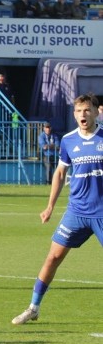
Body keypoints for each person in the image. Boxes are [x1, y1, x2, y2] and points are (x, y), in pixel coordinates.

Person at [12, 95, 103, 326]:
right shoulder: (68, 141)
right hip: (76, 212)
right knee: (52, 257)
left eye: (88, 110)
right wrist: (50, 206)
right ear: (74, 114)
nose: (83, 115)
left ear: (96, 112)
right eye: (79, 110)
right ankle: (33, 307)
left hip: (101, 212)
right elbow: (61, 173)